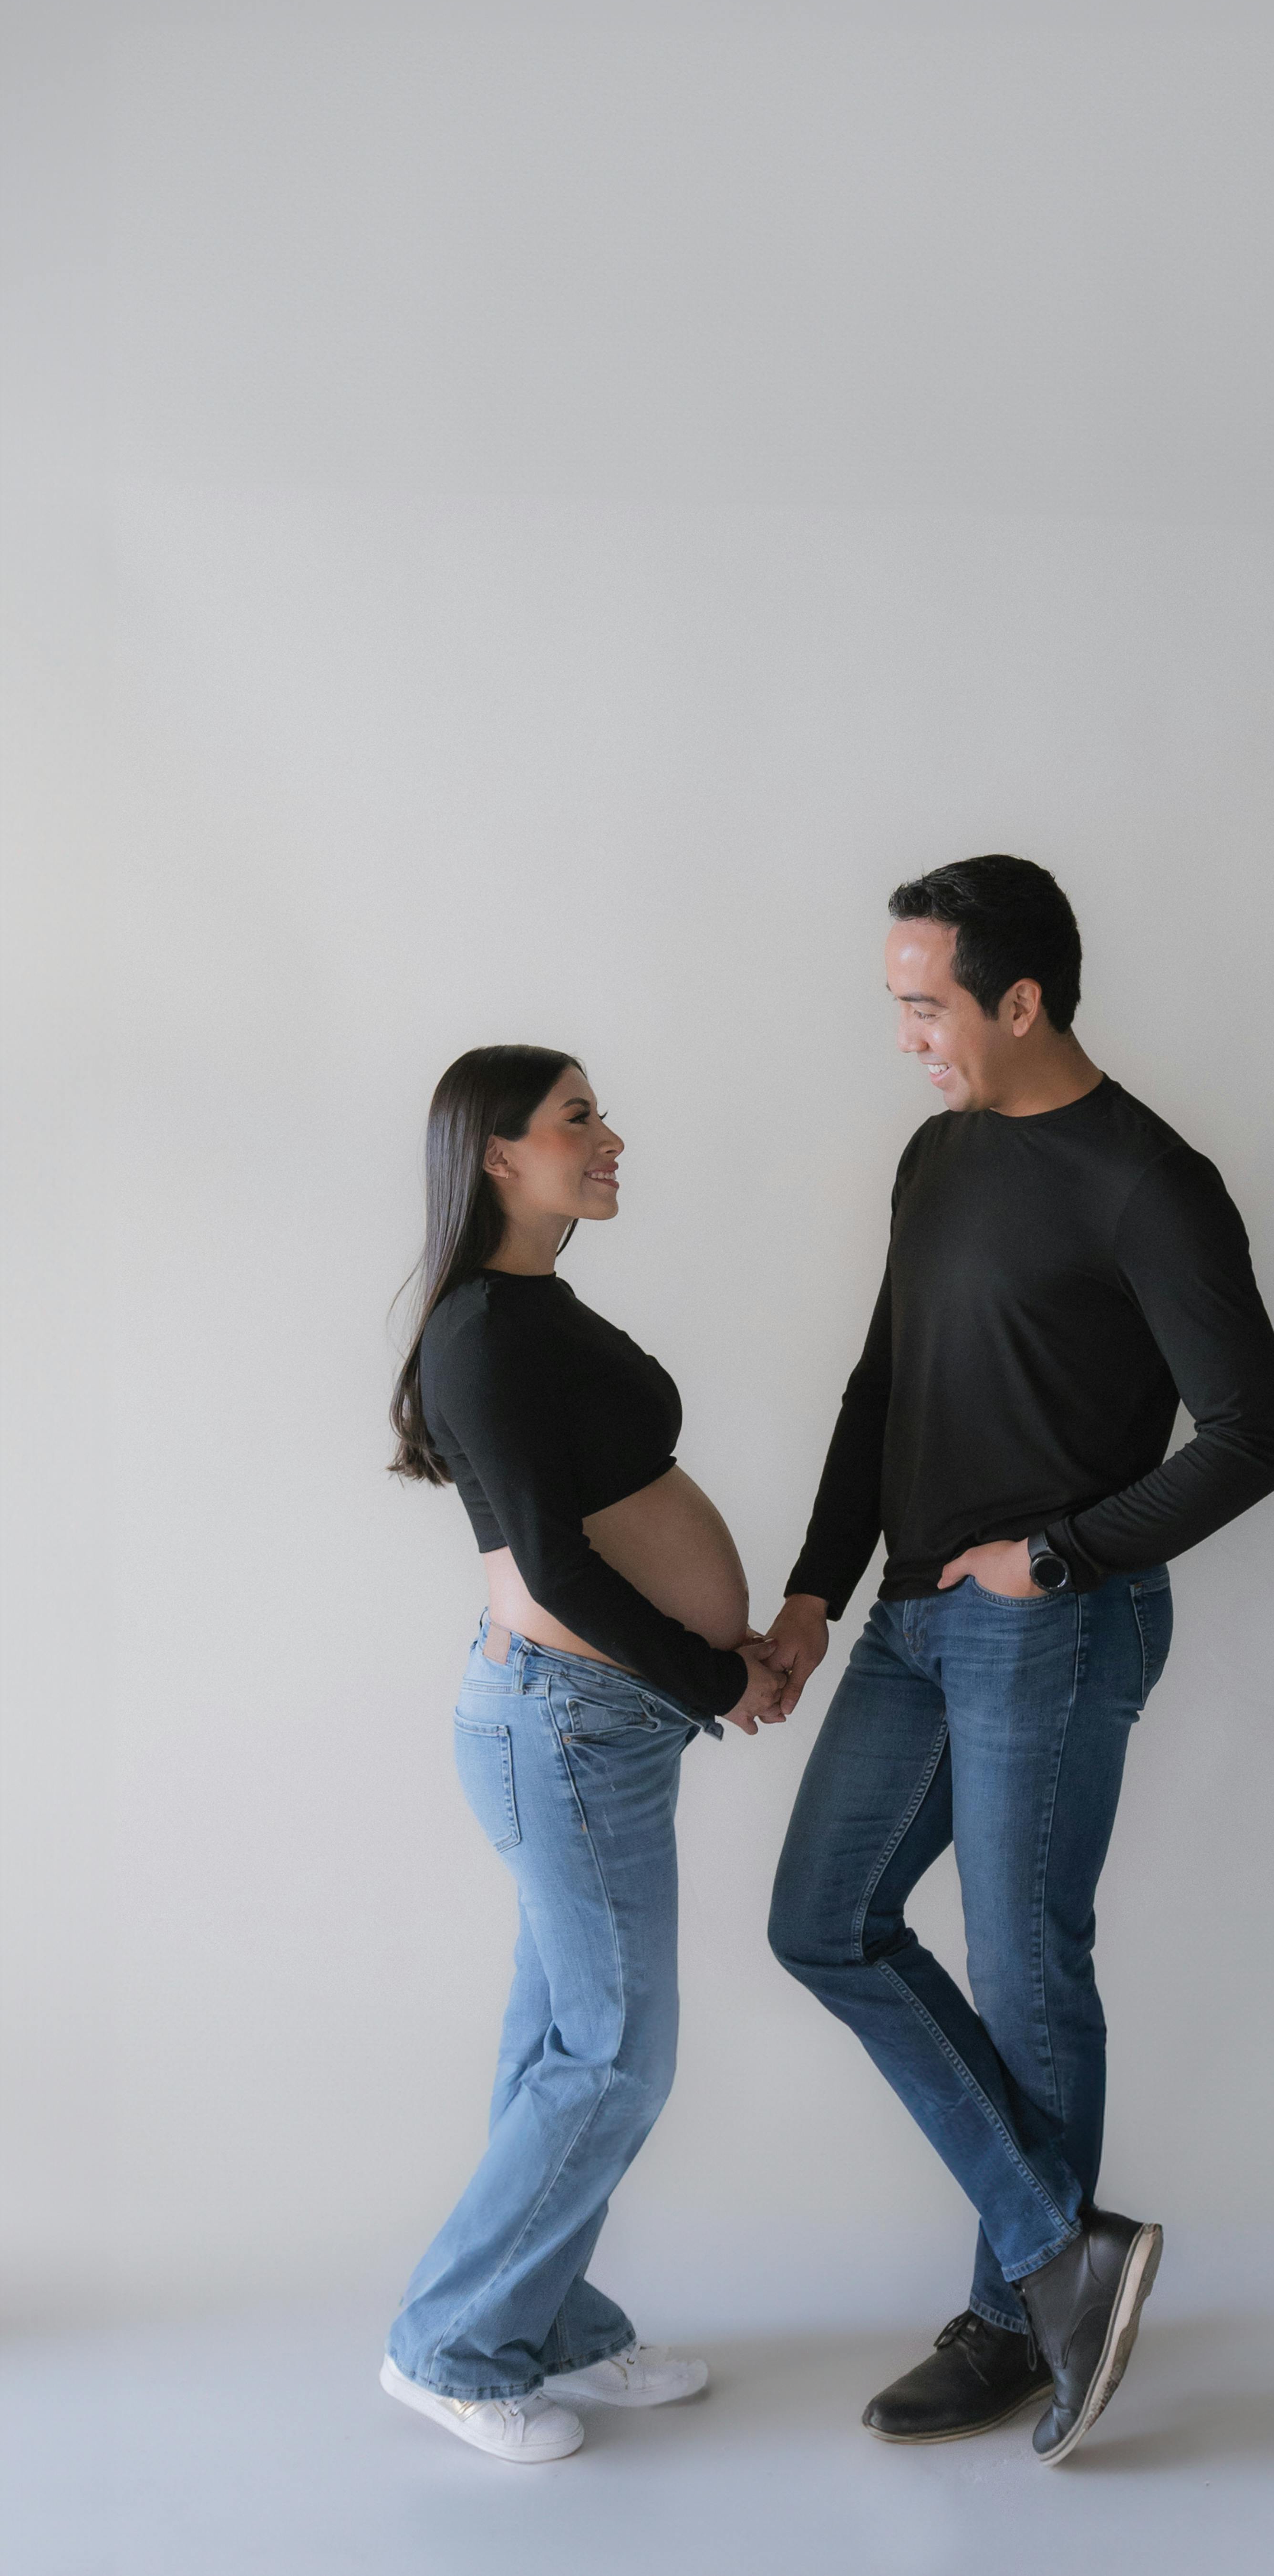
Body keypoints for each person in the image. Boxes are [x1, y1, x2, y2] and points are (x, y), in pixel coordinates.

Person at [762, 857, 1274, 2463]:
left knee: (1024, 1964)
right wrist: (809, 1590)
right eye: (896, 1004)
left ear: (1022, 999)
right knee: (821, 1920)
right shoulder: (938, 1156)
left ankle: (1016, 2313)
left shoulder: (1148, 1181)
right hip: (909, 1616)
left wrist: (1056, 1553)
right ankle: (1062, 2256)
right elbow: (882, 1387)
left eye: (925, 1004)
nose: (907, 1034)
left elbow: (1255, 1436)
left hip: (1053, 1616)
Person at [378, 1044, 783, 2464]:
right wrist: (716, 1673)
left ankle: (539, 2317)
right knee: (612, 2055)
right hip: (564, 1715)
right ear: (496, 1151)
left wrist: (717, 1665)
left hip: (601, 1719)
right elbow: (551, 1563)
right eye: (577, 1120)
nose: (611, 1137)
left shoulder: (537, 1308)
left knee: (563, 2036)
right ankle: (448, 2344)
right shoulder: (481, 1332)